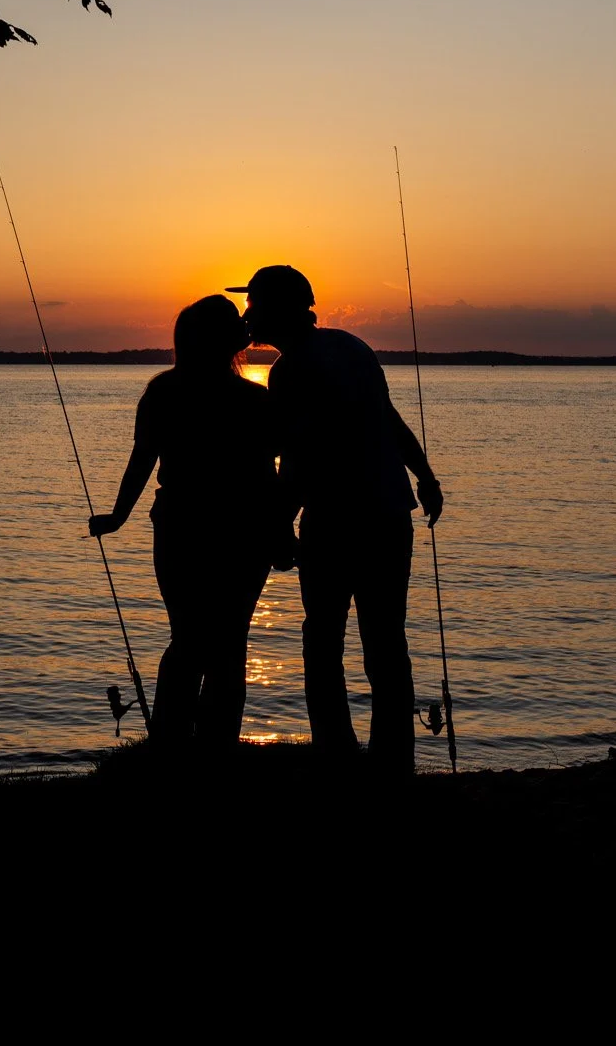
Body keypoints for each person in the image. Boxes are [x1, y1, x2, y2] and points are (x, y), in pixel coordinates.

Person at [230, 264, 443, 775]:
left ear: (278, 309)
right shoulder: (352, 347)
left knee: (322, 643)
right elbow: (387, 418)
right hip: (390, 515)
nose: (246, 313)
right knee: (387, 643)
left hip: (335, 522)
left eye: (254, 304)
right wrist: (425, 474)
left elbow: (300, 455)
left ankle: (337, 757)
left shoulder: (292, 370)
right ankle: (394, 763)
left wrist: (278, 522)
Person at [89, 295, 285, 749]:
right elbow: (268, 471)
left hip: (181, 527)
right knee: (228, 643)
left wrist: (119, 516)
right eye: (236, 322)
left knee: (188, 639)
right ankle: (215, 746)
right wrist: (281, 532)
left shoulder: (163, 392)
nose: (246, 325)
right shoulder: (254, 399)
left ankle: (172, 744)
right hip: (241, 530)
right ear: (221, 338)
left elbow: (143, 458)